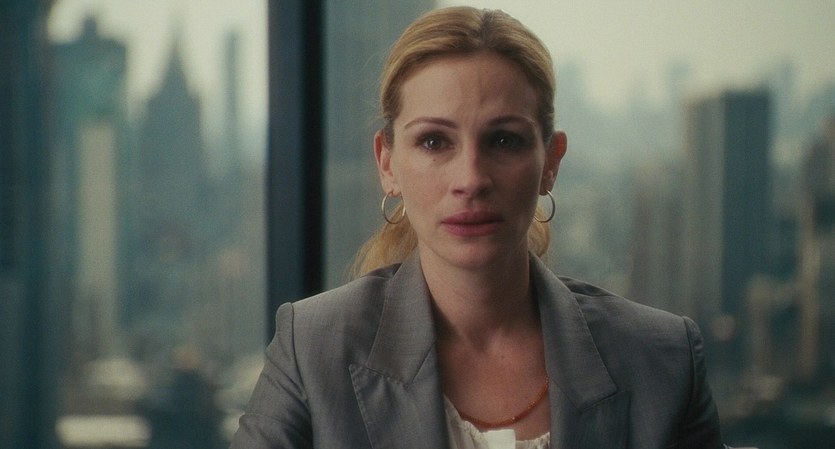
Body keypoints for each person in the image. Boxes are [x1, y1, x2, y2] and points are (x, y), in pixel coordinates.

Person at [231, 6, 726, 449]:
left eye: (504, 140)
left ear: (551, 162)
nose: (471, 179)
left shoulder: (662, 357)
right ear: (387, 162)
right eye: (434, 142)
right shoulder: (312, 349)